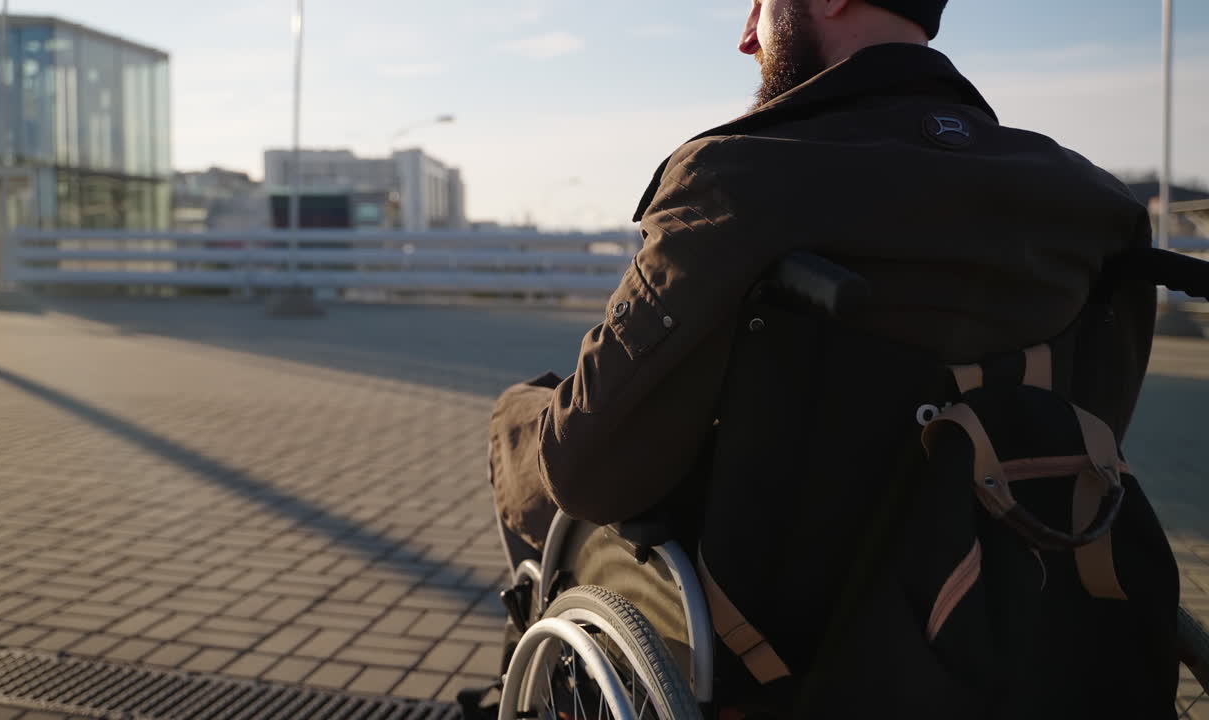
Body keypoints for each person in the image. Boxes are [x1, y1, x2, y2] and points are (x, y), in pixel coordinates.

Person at [488, 0, 1154, 582]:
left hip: (776, 620)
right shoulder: (1095, 204)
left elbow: (586, 475)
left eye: (759, 3)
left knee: (526, 422)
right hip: (1022, 575)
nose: (749, 36)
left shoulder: (734, 179)